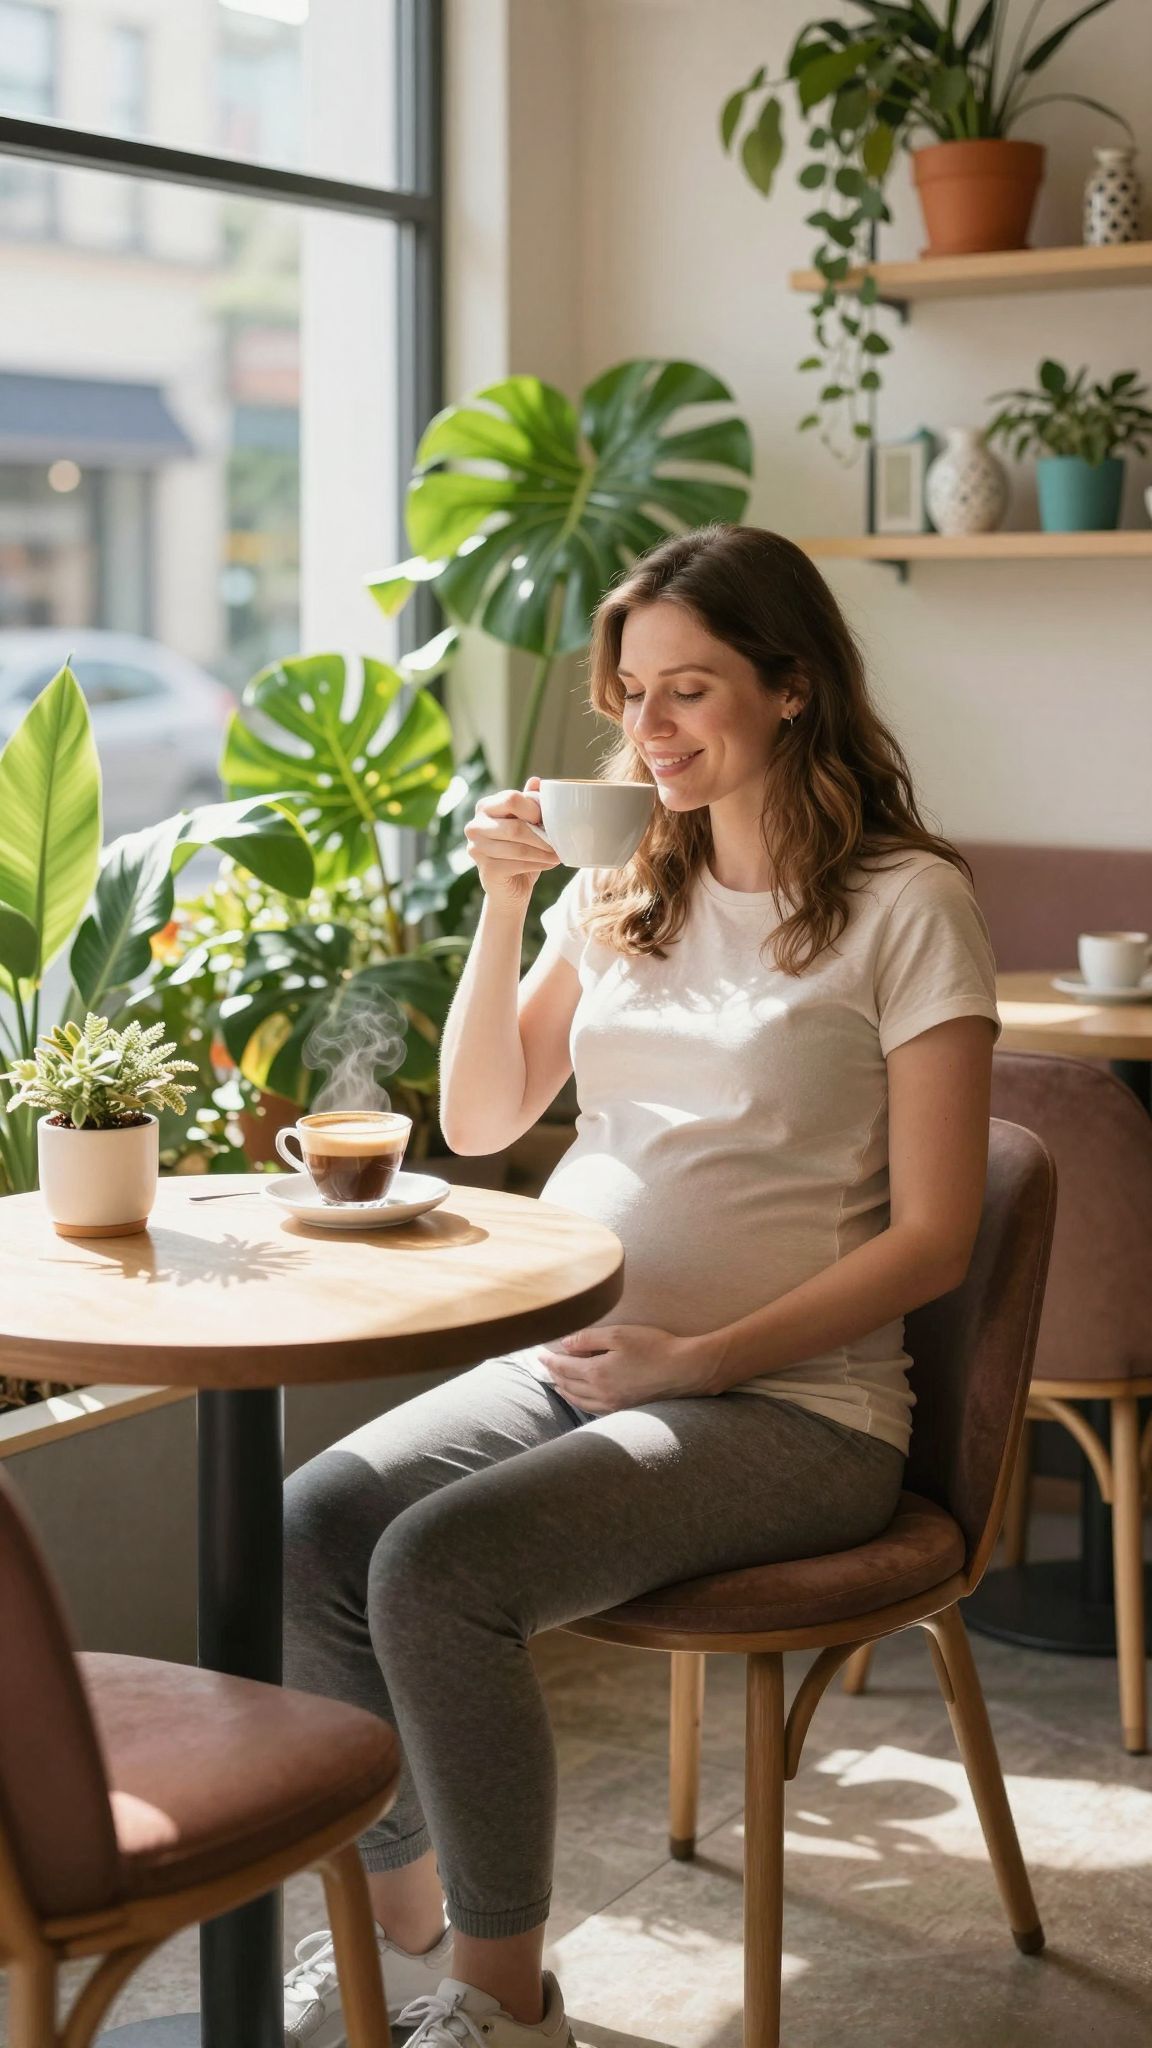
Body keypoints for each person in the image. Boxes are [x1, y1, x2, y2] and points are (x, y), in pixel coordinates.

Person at [281, 524, 1001, 2048]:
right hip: (591, 1362)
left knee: (440, 1570)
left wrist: (705, 1359)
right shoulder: (624, 888)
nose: (650, 731)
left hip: (801, 1409)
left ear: (792, 688)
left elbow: (936, 1239)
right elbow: (480, 1121)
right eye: (630, 698)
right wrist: (498, 901)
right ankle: (400, 1918)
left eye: (690, 691)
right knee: (320, 1521)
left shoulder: (905, 906)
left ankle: (500, 1997)